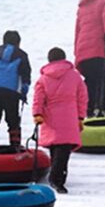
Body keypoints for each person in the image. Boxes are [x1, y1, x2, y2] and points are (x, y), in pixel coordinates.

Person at [32, 48, 88, 194]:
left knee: (55, 149)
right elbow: (82, 97)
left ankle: (57, 177)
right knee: (64, 150)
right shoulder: (75, 76)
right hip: (69, 117)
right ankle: (57, 179)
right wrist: (80, 117)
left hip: (50, 117)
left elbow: (38, 98)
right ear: (64, 58)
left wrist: (37, 114)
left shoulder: (43, 79)